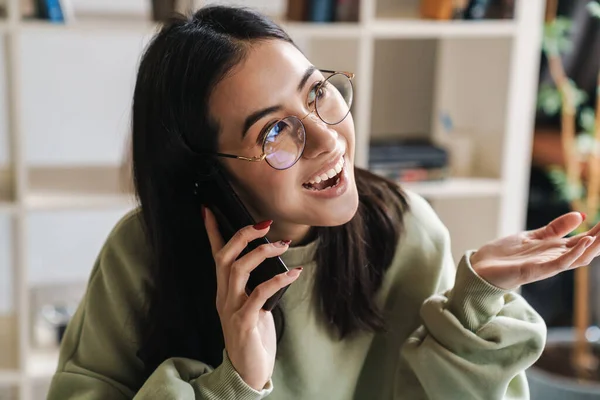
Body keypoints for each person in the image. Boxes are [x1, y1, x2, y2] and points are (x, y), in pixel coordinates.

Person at [47, 6, 600, 399]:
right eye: (274, 131)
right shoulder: (144, 252)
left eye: (317, 92)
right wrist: (235, 381)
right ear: (207, 172)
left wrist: (473, 306)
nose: (327, 138)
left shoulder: (403, 230)